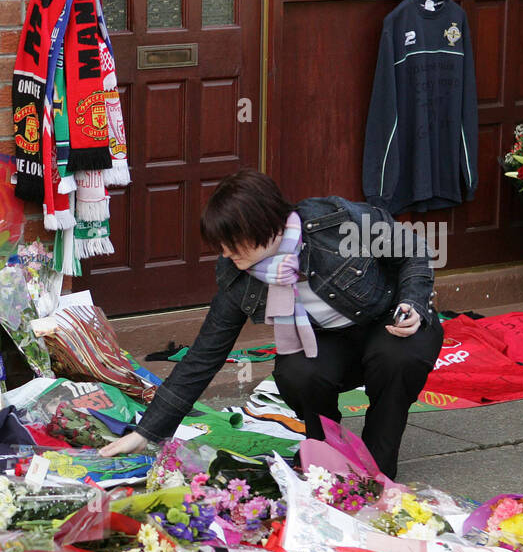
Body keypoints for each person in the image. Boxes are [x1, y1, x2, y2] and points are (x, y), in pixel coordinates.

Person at [100, 169, 442, 478]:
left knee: (398, 359)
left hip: (386, 323)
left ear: (264, 227)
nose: (224, 253)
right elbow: (203, 357)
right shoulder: (239, 276)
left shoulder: (335, 221)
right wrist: (146, 433)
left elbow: (414, 248)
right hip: (327, 344)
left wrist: (411, 302)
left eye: (231, 243)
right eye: (219, 244)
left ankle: (376, 463)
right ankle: (325, 451)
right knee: (297, 374)